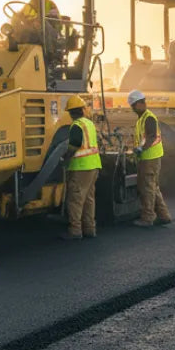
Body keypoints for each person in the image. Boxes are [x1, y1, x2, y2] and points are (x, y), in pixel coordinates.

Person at [127, 90, 171, 227]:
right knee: (152, 187)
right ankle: (164, 215)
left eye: (134, 105)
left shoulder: (149, 118)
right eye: (133, 106)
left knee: (147, 188)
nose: (133, 108)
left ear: (140, 103)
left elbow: (151, 136)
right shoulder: (142, 118)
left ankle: (148, 218)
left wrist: (141, 148)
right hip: (148, 158)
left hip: (150, 158)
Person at [60, 94, 101, 240]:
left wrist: (65, 159)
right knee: (89, 199)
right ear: (83, 110)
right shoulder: (89, 124)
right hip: (93, 165)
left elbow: (75, 145)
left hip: (80, 167)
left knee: (75, 199)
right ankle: (90, 228)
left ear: (71, 113)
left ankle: (75, 230)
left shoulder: (76, 125)